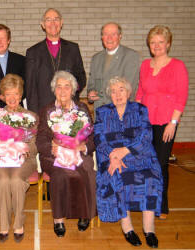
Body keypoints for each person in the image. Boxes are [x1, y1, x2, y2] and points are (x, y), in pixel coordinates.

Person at [95, 77, 163, 248]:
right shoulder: (102, 112)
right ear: (109, 95)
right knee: (118, 177)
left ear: (129, 92)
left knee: (150, 179)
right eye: (113, 91)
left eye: (121, 90)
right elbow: (99, 138)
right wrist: (113, 156)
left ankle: (149, 229)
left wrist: (124, 151)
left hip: (139, 154)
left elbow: (146, 136)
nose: (117, 94)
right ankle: (127, 227)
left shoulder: (140, 109)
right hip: (110, 156)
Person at [136, 25, 188, 220]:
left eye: (160, 42)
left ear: (168, 44)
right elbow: (141, 93)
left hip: (167, 122)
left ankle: (162, 205)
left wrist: (173, 122)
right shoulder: (144, 66)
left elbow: (180, 97)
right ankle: (146, 201)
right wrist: (138, 119)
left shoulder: (177, 66)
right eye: (153, 42)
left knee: (160, 163)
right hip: (146, 122)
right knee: (145, 163)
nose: (156, 46)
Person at [36, 71, 96, 237]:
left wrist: (84, 147)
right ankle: (59, 219)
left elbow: (92, 137)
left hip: (78, 153)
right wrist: (51, 149)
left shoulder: (82, 108)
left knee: (87, 166)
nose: (62, 91)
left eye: (66, 87)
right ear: (54, 90)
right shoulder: (47, 110)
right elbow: (40, 139)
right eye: (59, 87)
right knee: (61, 172)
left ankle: (84, 213)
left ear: (73, 90)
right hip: (53, 156)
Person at [0, 74, 38, 243]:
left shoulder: (31, 117)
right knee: (2, 181)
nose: (12, 98)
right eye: (8, 94)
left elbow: (34, 146)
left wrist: (23, 147)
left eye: (15, 93)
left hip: (24, 159)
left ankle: (18, 223)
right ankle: (3, 224)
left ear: (21, 94)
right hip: (0, 159)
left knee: (16, 180)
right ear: (3, 96)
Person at [26, 8, 86, 114]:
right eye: (48, 19)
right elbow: (31, 88)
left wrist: (71, 89)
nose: (53, 23)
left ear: (61, 23)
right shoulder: (33, 52)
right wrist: (34, 115)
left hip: (69, 108)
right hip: (43, 110)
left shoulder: (73, 48)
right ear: (43, 24)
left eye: (56, 19)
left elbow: (81, 77)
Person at [87, 22, 140, 110]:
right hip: (100, 112)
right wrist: (91, 94)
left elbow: (129, 89)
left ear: (120, 36)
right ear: (102, 37)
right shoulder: (96, 58)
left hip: (120, 111)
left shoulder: (131, 56)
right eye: (106, 34)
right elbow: (92, 85)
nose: (109, 38)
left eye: (113, 34)